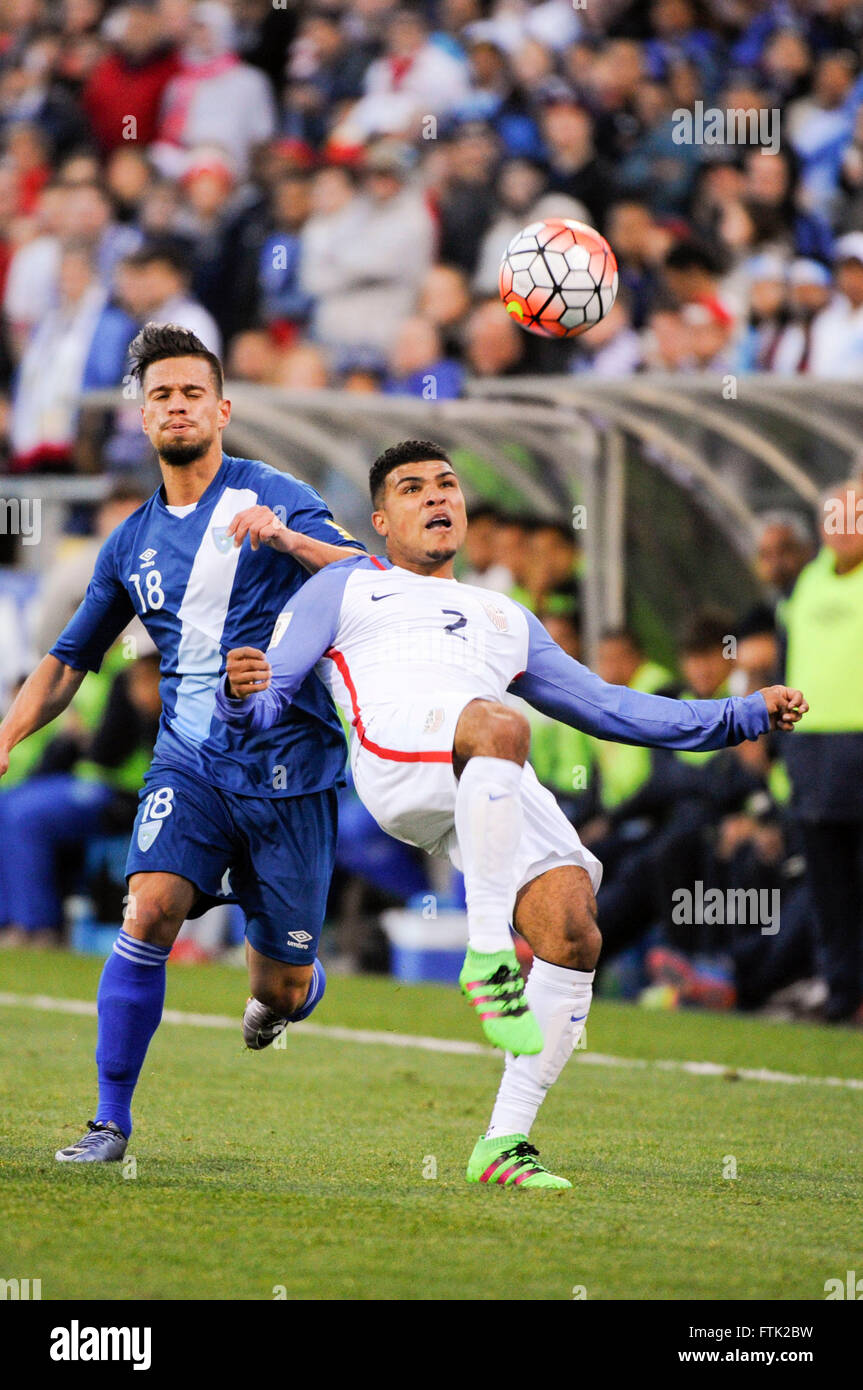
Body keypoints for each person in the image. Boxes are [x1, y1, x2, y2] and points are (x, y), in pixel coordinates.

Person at [215, 439, 808, 1189]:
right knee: (501, 726)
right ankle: (489, 956)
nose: (436, 498)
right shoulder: (344, 589)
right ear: (380, 520)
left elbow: (610, 708)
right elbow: (269, 699)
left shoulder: (504, 615)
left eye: (446, 485)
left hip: (485, 770)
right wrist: (243, 692)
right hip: (399, 754)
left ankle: (503, 1143)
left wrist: (739, 713)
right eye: (412, 489)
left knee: (572, 929)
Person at [0, 322, 365, 1163]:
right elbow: (67, 661)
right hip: (191, 764)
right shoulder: (129, 542)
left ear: (222, 407)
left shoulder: (274, 493)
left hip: (293, 774)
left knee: (279, 983)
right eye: (160, 394)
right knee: (151, 906)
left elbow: (357, 572)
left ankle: (286, 992)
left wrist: (284, 538)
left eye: (192, 392)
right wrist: (10, 736)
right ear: (143, 415)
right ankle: (108, 1124)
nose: (176, 406)